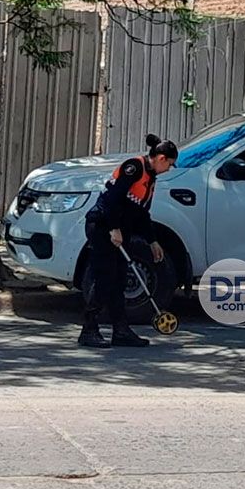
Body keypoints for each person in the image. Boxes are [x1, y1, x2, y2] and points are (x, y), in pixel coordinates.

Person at [78, 134, 178, 348]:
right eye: (169, 164)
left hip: (120, 232)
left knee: (119, 280)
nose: (169, 169)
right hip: (103, 228)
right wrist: (114, 228)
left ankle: (121, 331)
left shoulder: (150, 178)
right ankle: (89, 329)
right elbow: (112, 199)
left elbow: (141, 213)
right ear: (161, 158)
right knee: (104, 278)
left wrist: (152, 241)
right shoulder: (134, 168)